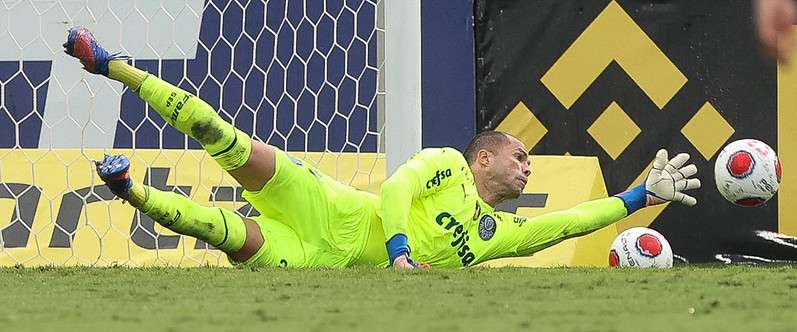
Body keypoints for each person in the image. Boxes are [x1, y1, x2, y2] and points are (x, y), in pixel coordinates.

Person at [64, 26, 701, 269]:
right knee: (224, 138)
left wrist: (637, 196)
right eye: (517, 153)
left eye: (528, 160)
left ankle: (129, 190)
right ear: (482, 157)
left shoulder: (495, 236)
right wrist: (398, 253)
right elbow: (396, 187)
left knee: (228, 233)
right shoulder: (448, 164)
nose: (526, 165)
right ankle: (113, 65)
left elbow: (563, 226)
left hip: (320, 261)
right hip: (327, 207)